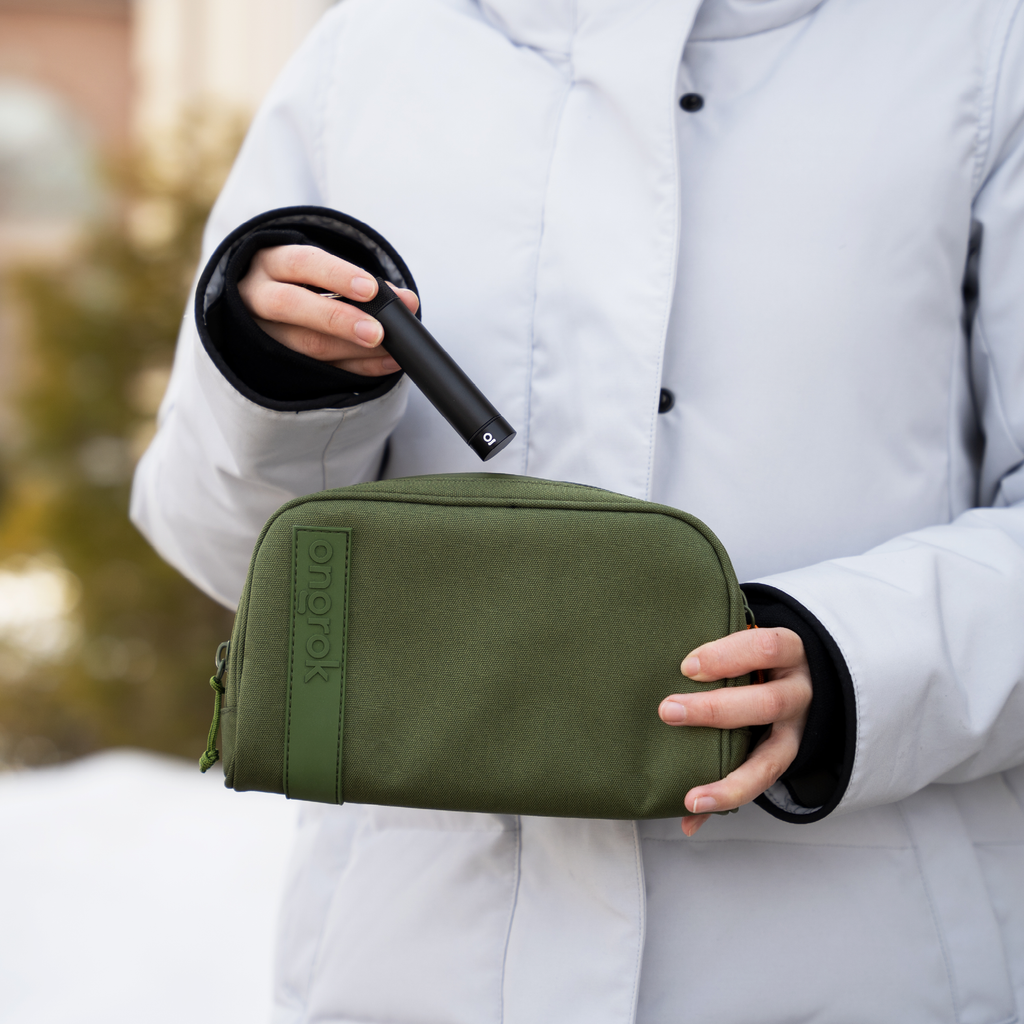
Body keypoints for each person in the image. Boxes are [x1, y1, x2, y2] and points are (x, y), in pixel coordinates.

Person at [131, 0, 1024, 1020]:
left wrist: (854, 658)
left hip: (862, 960)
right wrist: (276, 387)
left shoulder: (975, 45)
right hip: (415, 965)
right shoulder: (369, 54)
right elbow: (218, 548)